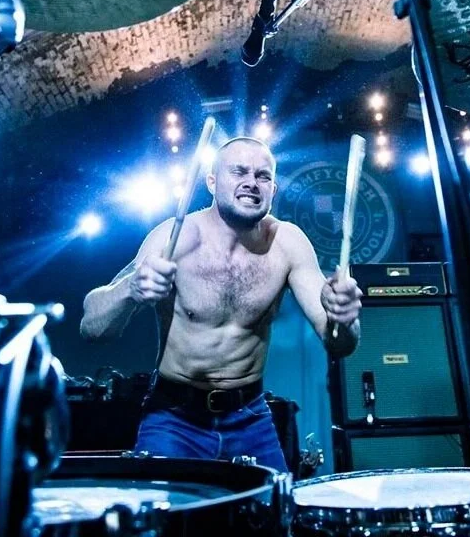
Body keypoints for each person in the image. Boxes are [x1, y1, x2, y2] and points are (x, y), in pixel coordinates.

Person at [80, 137, 362, 471]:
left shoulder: (287, 243)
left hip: (250, 418)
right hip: (174, 417)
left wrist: (344, 318)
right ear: (212, 182)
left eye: (263, 176)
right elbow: (92, 327)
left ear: (273, 189)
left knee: (273, 505)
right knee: (162, 505)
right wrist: (130, 289)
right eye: (239, 172)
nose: (251, 182)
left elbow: (339, 343)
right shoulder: (175, 236)